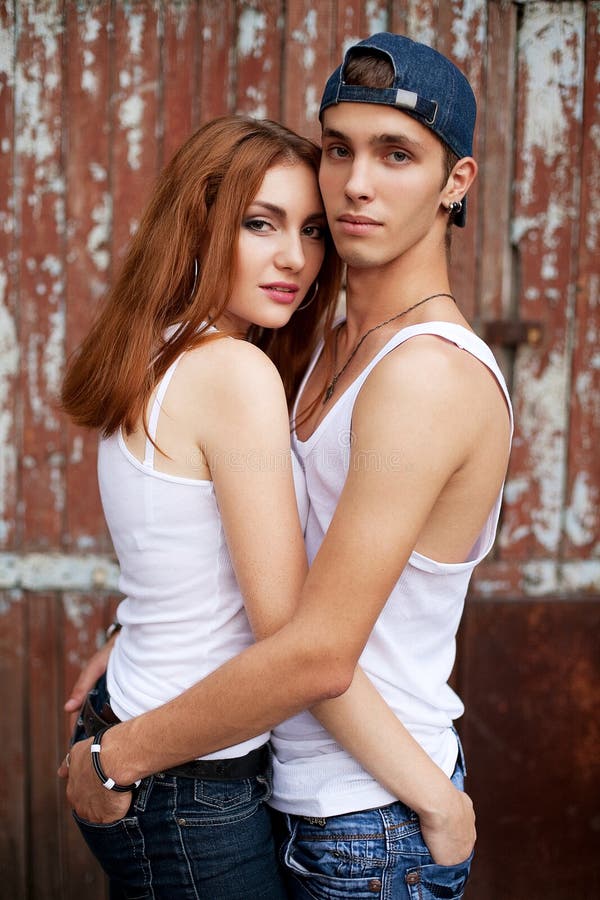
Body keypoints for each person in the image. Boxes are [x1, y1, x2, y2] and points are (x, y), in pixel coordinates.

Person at [62, 33, 512, 898]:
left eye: (397, 154)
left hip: (367, 817)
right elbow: (224, 543)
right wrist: (134, 645)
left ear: (456, 183)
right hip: (274, 783)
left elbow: (313, 652)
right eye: (339, 148)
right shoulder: (310, 347)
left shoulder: (426, 374)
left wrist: (116, 754)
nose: (357, 183)